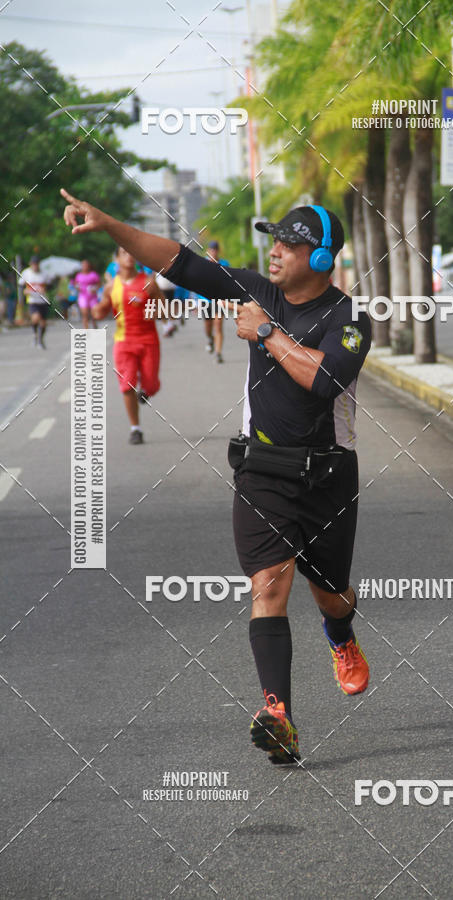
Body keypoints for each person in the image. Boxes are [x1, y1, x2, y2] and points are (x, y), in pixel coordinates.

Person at [60, 188, 372, 765]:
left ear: (323, 258)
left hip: (327, 476)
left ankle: (341, 635)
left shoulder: (348, 318)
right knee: (268, 587)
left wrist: (269, 334)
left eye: (290, 243)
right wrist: (108, 224)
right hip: (263, 470)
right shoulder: (255, 289)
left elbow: (326, 382)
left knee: (330, 595)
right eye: (273, 238)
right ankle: (277, 713)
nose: (275, 249)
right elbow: (178, 261)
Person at [91, 246, 165, 445]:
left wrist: (157, 304)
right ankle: (136, 428)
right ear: (116, 259)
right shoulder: (110, 287)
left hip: (148, 340)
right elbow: (102, 309)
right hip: (124, 342)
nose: (129, 256)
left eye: (132, 252)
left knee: (151, 384)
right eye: (124, 253)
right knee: (127, 384)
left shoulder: (149, 283)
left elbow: (164, 311)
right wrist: (96, 310)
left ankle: (147, 392)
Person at [203, 240, 229, 363]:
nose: (213, 252)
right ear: (208, 251)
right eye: (211, 250)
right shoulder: (202, 264)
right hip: (205, 300)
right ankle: (210, 339)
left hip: (220, 300)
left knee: (218, 325)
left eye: (215, 250)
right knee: (208, 327)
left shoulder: (224, 264)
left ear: (218, 251)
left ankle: (218, 353)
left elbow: (229, 282)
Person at [19, 255, 49, 348]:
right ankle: (35, 335)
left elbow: (49, 285)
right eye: (33, 264)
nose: (35, 266)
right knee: (35, 318)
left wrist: (44, 289)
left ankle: (40, 339)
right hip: (32, 300)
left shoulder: (44, 274)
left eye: (36, 264)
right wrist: (25, 291)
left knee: (43, 323)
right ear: (30, 264)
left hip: (43, 300)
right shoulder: (26, 273)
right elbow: (21, 285)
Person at [74, 259, 101, 329]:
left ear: (89, 266)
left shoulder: (93, 275)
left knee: (94, 315)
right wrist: (78, 288)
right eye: (83, 265)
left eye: (86, 265)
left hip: (92, 297)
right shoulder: (78, 275)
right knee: (85, 314)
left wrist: (94, 289)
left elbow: (99, 284)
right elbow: (76, 284)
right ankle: (86, 332)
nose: (85, 266)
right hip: (83, 296)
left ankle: (95, 328)